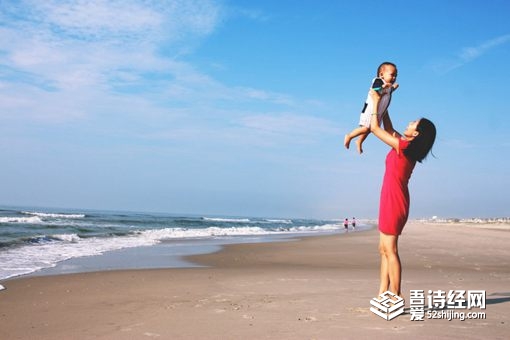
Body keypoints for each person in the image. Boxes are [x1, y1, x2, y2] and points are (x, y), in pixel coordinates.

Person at [369, 88, 436, 298]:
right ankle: (382, 293)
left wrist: (374, 101)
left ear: (416, 133)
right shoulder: (405, 145)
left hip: (395, 201)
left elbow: (375, 128)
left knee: (391, 250)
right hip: (389, 198)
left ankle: (396, 296)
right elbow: (387, 126)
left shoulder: (405, 146)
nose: (409, 122)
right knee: (383, 250)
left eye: (413, 123)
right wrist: (385, 100)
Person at [344, 62, 399, 154]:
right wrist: (384, 86)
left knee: (369, 129)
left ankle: (359, 141)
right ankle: (349, 136)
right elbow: (376, 89)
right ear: (381, 75)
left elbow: (388, 92)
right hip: (370, 109)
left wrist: (393, 88)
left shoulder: (388, 86)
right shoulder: (378, 81)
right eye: (392, 75)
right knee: (366, 128)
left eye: (395, 76)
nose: (394, 78)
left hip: (379, 112)